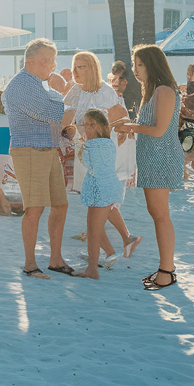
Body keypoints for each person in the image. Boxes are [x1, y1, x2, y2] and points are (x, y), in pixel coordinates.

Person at [2, 38, 75, 279]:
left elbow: (55, 115)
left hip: (46, 149)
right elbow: (51, 113)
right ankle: (30, 264)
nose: (51, 66)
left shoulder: (38, 83)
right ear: (30, 61)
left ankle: (55, 260)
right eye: (46, 61)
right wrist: (79, 110)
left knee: (60, 204)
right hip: (30, 149)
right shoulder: (22, 84)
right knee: (34, 208)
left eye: (52, 61)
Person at [60, 51, 141, 263]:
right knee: (97, 203)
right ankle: (119, 243)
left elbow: (119, 120)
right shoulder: (76, 91)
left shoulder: (106, 92)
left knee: (99, 203)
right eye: (76, 66)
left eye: (83, 67)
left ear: (93, 68)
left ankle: (112, 247)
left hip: (102, 153)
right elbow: (66, 115)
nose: (77, 71)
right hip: (86, 152)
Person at [114, 44, 182, 291]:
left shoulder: (164, 90)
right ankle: (166, 268)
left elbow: (159, 130)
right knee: (158, 215)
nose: (135, 70)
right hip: (152, 158)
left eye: (139, 64)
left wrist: (129, 127)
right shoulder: (153, 91)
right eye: (134, 64)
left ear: (152, 64)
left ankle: (167, 271)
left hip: (161, 158)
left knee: (161, 215)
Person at [76, 110, 124, 280]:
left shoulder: (90, 146)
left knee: (93, 231)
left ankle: (92, 269)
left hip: (97, 190)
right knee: (96, 229)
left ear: (93, 126)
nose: (83, 129)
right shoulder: (109, 143)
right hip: (110, 187)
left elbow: (87, 163)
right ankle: (110, 253)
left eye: (85, 125)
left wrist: (80, 148)